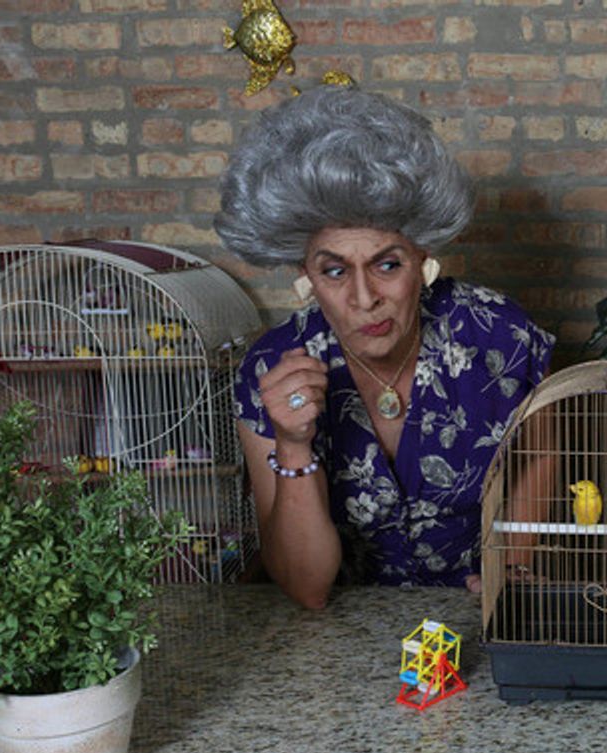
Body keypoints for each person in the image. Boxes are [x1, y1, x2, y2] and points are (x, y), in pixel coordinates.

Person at [216, 86, 554, 609]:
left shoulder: (499, 335)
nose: (365, 298)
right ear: (304, 276)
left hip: (484, 612)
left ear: (424, 258)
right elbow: (306, 586)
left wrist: (512, 565)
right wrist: (293, 443)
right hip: (343, 627)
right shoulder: (272, 370)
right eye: (334, 271)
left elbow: (543, 455)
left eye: (387, 264)